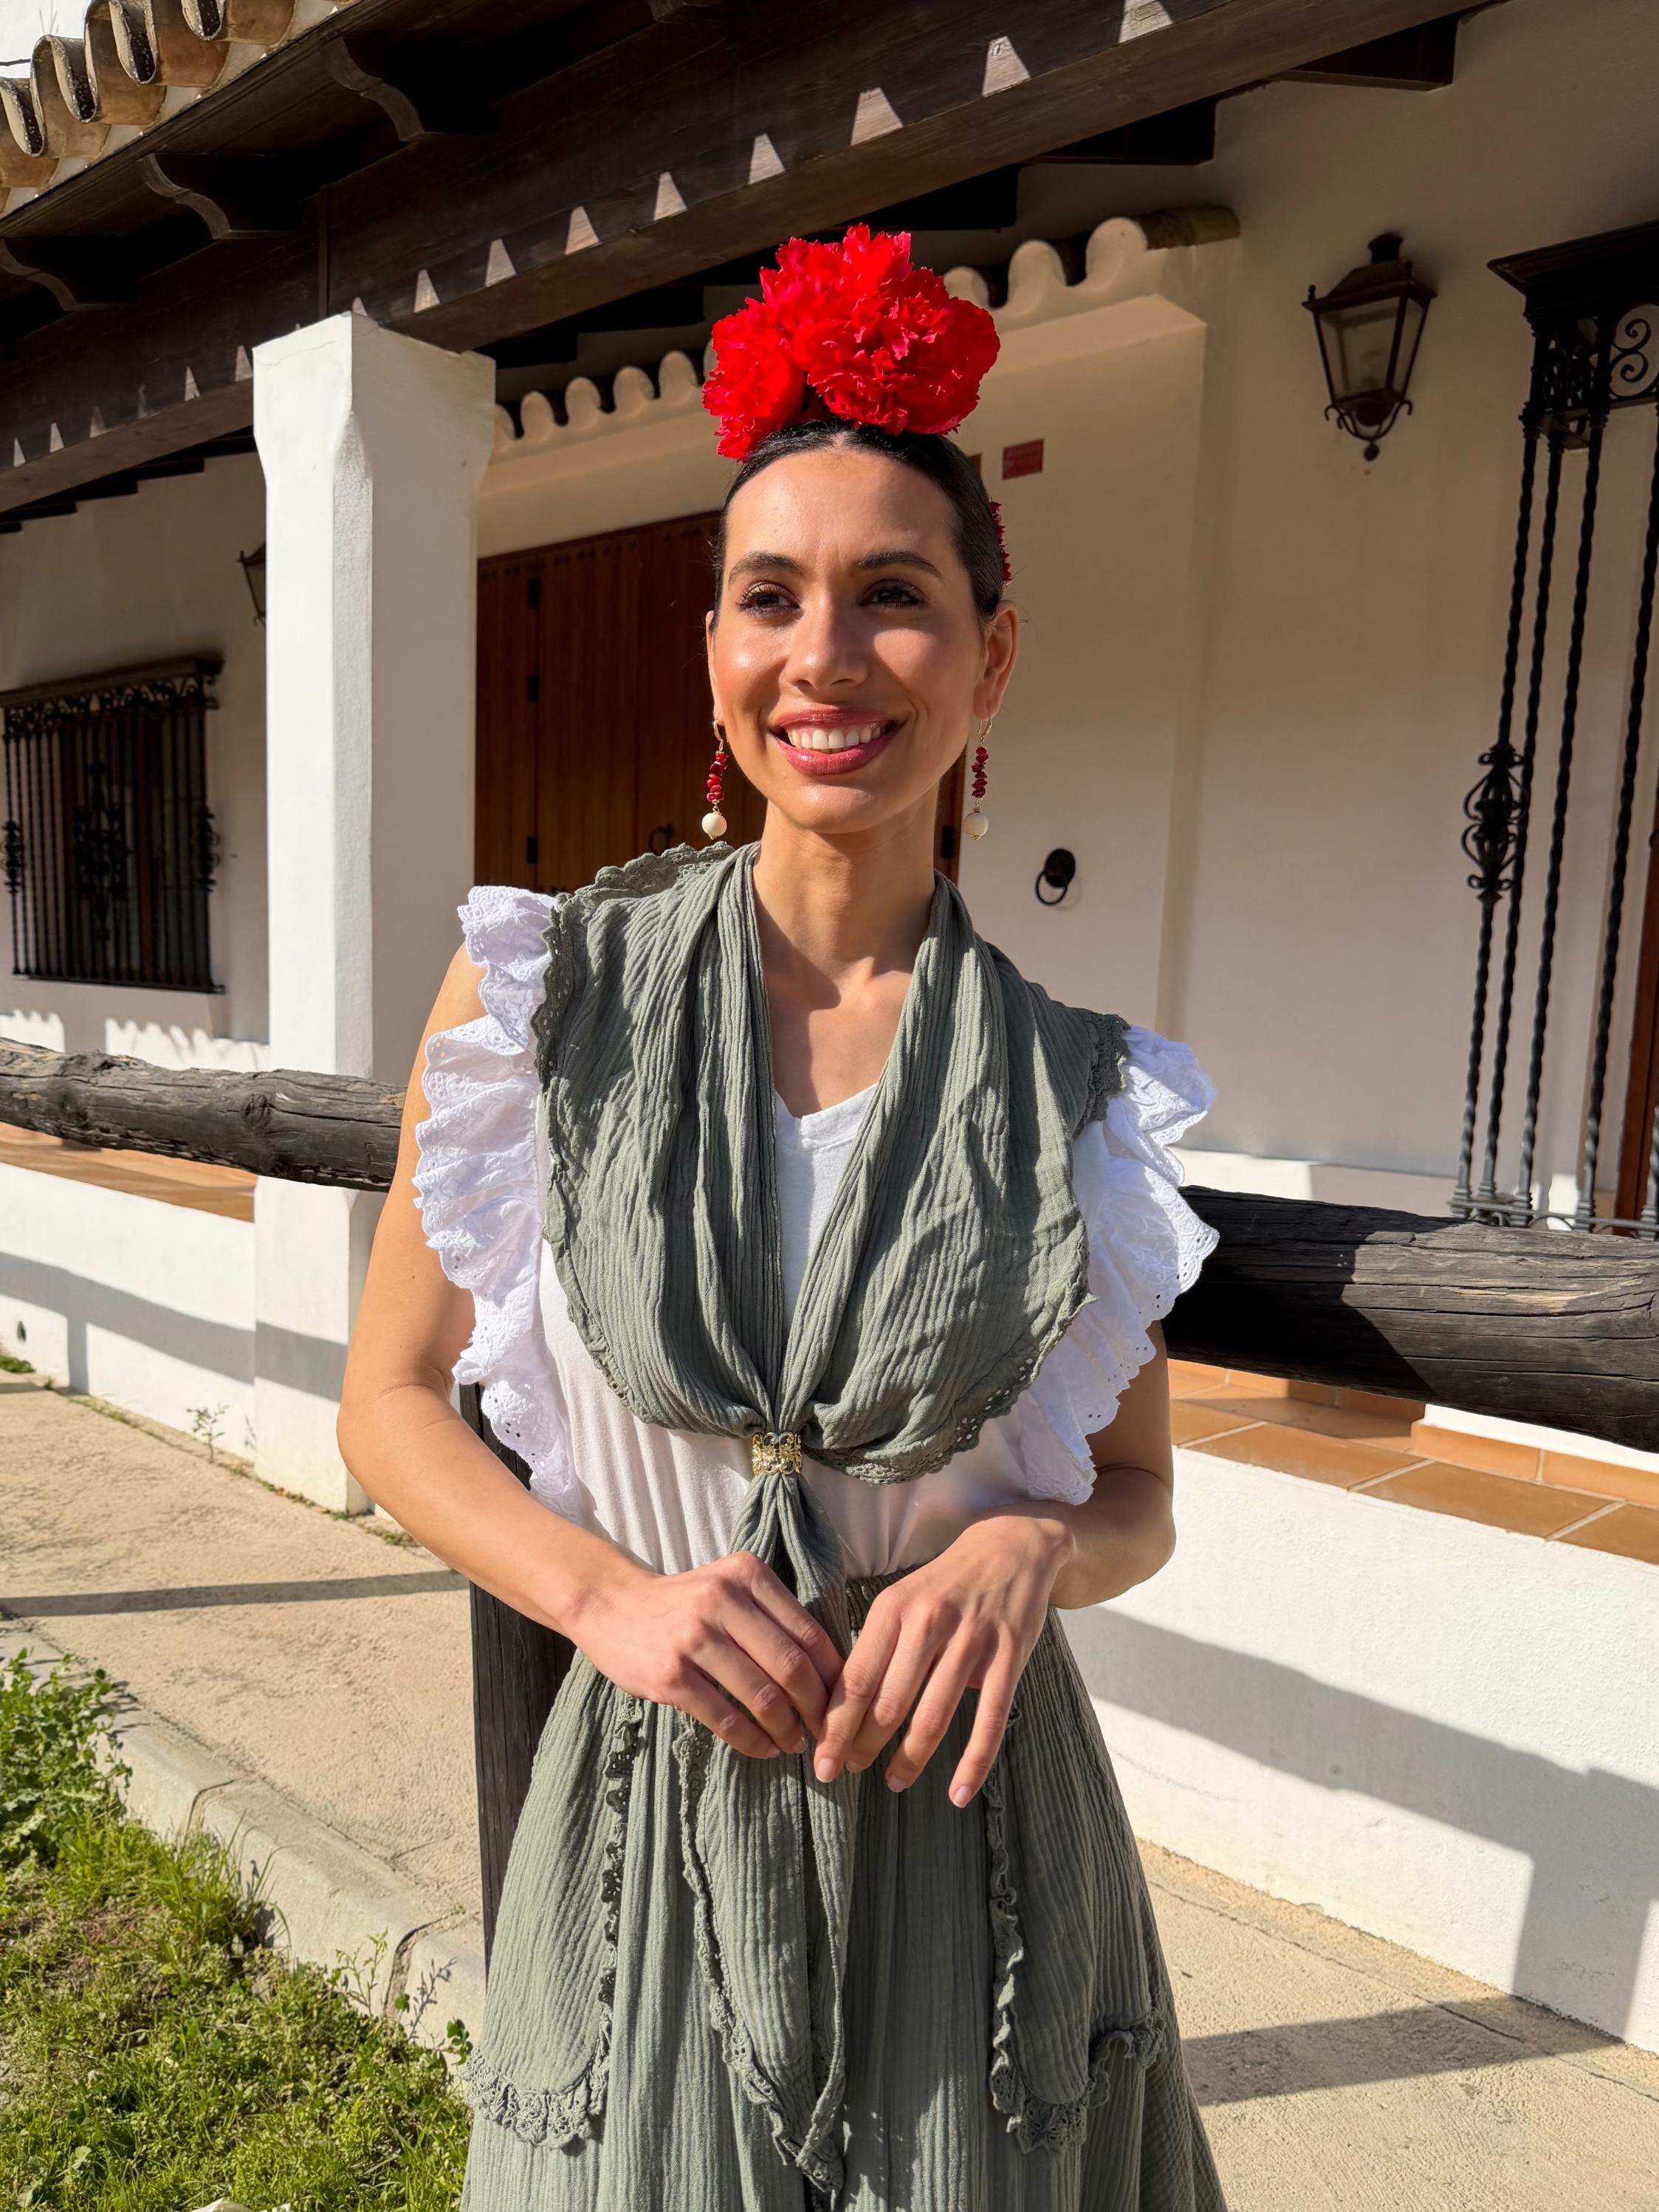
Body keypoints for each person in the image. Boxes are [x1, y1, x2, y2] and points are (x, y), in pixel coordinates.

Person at [337, 224, 1227, 2211]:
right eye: (772, 599)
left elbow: (1142, 1488)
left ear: (989, 654)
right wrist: (606, 1600)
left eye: (892, 598)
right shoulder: (537, 1003)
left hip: (977, 1851)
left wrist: (1025, 1548)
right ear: (716, 658)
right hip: (652, 1814)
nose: (826, 655)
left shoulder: (1086, 1095)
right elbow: (388, 1399)